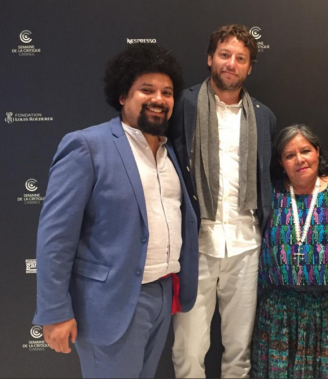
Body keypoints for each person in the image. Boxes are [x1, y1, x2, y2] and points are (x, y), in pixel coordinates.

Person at [33, 43, 198, 378]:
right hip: (112, 303)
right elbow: (56, 236)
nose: (159, 99)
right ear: (123, 95)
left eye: (167, 92)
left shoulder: (170, 155)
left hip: (162, 295)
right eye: (147, 90)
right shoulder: (87, 146)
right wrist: (54, 311)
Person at [168, 24, 276, 378]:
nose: (231, 63)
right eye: (225, 55)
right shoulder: (182, 105)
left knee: (239, 348)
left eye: (240, 58)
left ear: (249, 67)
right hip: (195, 244)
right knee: (189, 346)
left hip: (246, 244)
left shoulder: (263, 115)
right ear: (210, 58)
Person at [252, 124, 328, 379]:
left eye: (305, 151)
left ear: (317, 152)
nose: (299, 159)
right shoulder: (270, 192)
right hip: (279, 312)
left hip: (327, 311)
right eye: (289, 155)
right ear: (281, 161)